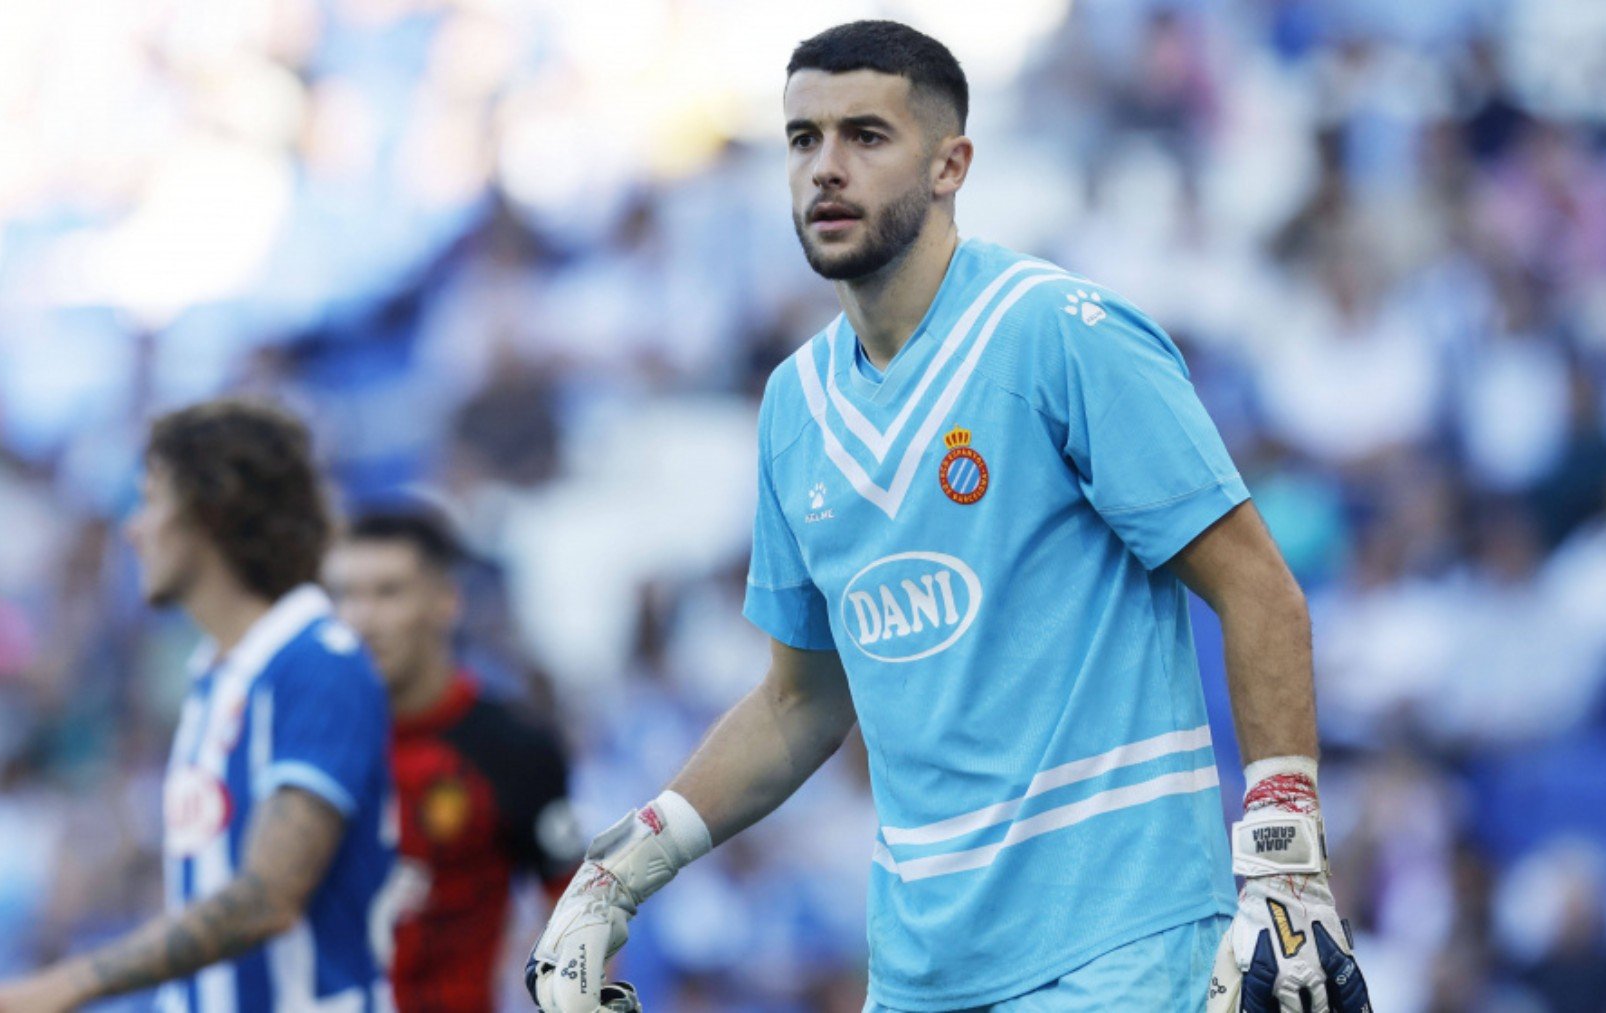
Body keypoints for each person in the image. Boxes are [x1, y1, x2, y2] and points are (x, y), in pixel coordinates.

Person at [527, 19, 1373, 1013]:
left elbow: (1258, 585)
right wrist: (622, 865)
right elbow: (802, 699)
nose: (826, 169)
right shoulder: (794, 405)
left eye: (866, 136)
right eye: (804, 140)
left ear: (950, 164)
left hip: (1119, 950)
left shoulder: (1060, 332)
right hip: (922, 974)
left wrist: (1285, 857)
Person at [0, 398, 396, 1013]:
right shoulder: (217, 675)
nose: (133, 528)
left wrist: (64, 984)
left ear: (210, 511)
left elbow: (267, 898)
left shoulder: (318, 662)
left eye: (151, 499)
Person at [325, 503, 580, 1012]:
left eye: (388, 592)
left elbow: (581, 910)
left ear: (446, 601)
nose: (363, 618)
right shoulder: (305, 742)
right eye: (345, 595)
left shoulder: (515, 745)